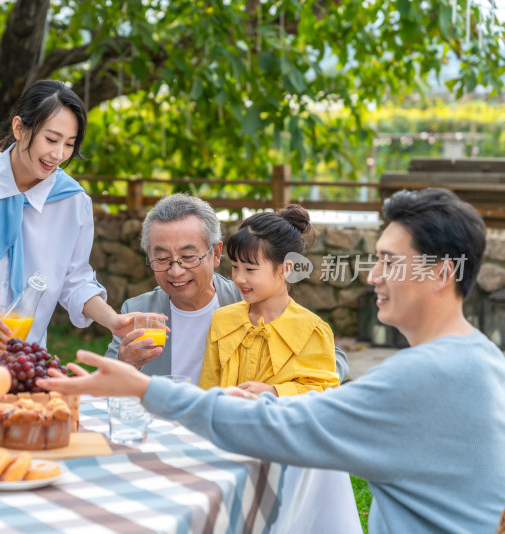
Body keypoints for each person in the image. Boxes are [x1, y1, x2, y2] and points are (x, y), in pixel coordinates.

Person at [39, 188, 505, 533]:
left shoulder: (421, 376)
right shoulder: (481, 359)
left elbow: (283, 423)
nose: (373, 276)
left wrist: (143, 388)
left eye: (387, 261)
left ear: (442, 273)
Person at [0, 80, 131, 371]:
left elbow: (75, 281)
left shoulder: (73, 203)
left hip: (22, 364)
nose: (58, 155)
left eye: (69, 144)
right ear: (19, 128)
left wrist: (115, 321)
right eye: (51, 140)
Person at [104, 193, 349, 385]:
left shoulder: (248, 301)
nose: (175, 271)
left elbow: (331, 359)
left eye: (189, 256)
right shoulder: (139, 311)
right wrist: (126, 364)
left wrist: (278, 388)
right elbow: (102, 384)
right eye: (162, 258)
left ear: (216, 254)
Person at [198, 204, 340, 396]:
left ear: (286, 269)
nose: (239, 278)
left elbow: (324, 392)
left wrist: (274, 392)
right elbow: (208, 388)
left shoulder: (311, 330)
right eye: (234, 266)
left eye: (250, 269)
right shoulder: (222, 320)